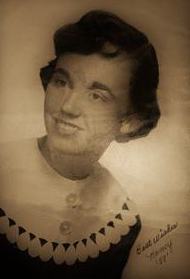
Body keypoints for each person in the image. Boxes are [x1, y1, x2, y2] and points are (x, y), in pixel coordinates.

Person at [0, 10, 160, 279]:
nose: (68, 106)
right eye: (61, 82)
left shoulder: (120, 221)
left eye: (97, 96)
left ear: (129, 122)